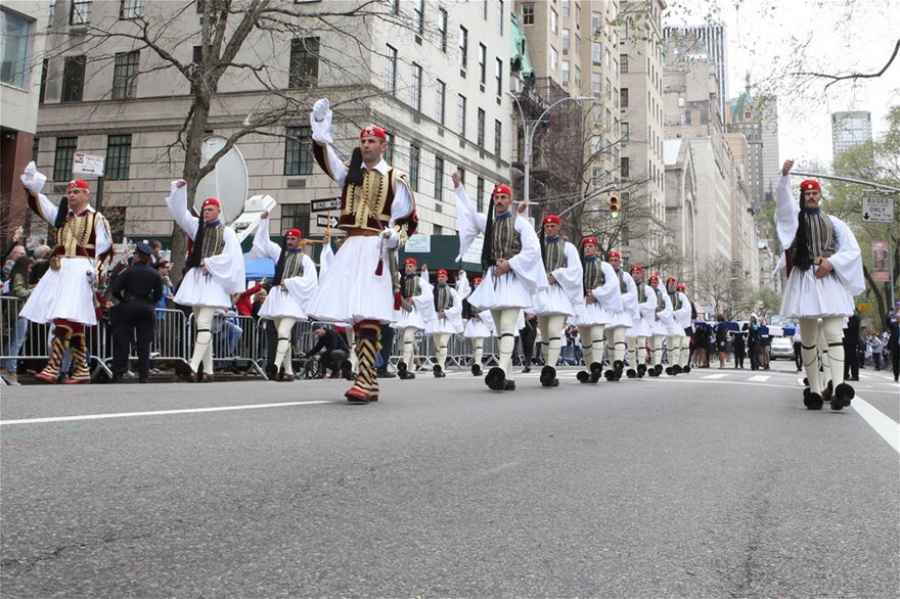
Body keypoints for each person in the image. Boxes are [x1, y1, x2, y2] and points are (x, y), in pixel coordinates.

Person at [307, 99, 418, 403]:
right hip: (351, 246)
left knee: (368, 314)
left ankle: (363, 378)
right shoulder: (350, 174)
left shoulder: (396, 178)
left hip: (376, 248)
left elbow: (409, 220)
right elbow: (326, 159)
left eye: (372, 141)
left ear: (384, 146)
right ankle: (369, 380)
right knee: (357, 315)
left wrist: (394, 236)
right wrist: (320, 128)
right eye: (363, 141)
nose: (366, 145)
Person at [776, 159, 864, 410]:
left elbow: (851, 249)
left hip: (828, 279)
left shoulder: (834, 223)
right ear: (802, 197)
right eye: (807, 194)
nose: (811, 197)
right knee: (809, 338)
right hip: (805, 279)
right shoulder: (794, 220)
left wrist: (832, 262)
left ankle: (838, 388)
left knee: (835, 334)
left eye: (815, 193)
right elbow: (783, 204)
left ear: (821, 196)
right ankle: (814, 389)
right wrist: (784, 177)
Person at [19, 163, 114, 383]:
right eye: (69, 192)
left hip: (80, 271)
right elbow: (41, 205)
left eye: (76, 192)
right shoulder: (61, 216)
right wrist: (32, 187)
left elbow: (106, 248)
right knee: (71, 321)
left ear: (86, 195)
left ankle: (53, 368)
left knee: (64, 317)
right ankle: (81, 369)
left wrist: (97, 271)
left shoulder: (97, 218)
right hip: (60, 271)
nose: (71, 195)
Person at [453, 171, 548, 391]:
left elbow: (533, 249)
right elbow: (469, 210)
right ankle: (509, 378)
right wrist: (459, 187)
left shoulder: (520, 223)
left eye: (503, 197)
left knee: (507, 327)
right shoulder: (490, 224)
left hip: (512, 280)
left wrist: (511, 264)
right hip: (495, 281)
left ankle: (501, 370)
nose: (499, 201)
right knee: (499, 330)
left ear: (510, 200)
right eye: (496, 197)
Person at [166, 180, 246, 382]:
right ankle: (209, 371)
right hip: (197, 280)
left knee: (203, 323)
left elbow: (233, 258)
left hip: (214, 283)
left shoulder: (227, 232)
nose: (206, 212)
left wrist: (210, 264)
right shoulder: (197, 227)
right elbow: (180, 214)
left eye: (210, 209)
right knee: (202, 326)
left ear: (219, 211)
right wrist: (180, 190)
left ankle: (193, 366)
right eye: (204, 209)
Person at [252, 213, 318, 382]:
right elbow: (265, 243)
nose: (289, 241)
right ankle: (288, 371)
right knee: (284, 336)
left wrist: (289, 283)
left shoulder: (305, 260)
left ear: (299, 240)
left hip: (292, 301)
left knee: (282, 331)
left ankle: (275, 365)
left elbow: (310, 281)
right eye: (288, 238)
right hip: (278, 299)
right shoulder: (280, 254)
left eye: (293, 239)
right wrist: (264, 222)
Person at [532, 215, 582, 387]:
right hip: (542, 293)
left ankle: (550, 368)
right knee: (545, 334)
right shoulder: (538, 247)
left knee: (554, 330)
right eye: (547, 226)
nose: (549, 229)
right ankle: (548, 369)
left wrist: (557, 275)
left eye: (553, 226)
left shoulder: (568, 247)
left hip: (559, 294)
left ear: (559, 227)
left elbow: (576, 270)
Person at [109, 242, 163, 383]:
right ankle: (143, 375)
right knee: (144, 342)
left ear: (138, 256)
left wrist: (123, 300)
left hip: (129, 306)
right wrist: (149, 301)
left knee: (123, 339)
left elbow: (115, 289)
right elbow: (158, 294)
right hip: (146, 307)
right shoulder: (154, 274)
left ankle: (119, 372)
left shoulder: (129, 271)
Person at [572, 237, 618, 384]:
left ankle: (596, 367)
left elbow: (612, 284)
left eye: (591, 246)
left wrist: (596, 294)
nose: (588, 248)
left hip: (597, 305)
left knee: (597, 335)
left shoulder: (604, 266)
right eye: (586, 246)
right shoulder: (578, 265)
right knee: (585, 340)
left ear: (596, 248)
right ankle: (589, 370)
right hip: (582, 305)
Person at [392, 257, 432, 379]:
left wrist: (415, 299)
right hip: (404, 312)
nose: (408, 268)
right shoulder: (402, 280)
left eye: (410, 266)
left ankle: (404, 365)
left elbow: (429, 296)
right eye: (406, 267)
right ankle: (410, 369)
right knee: (407, 339)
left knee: (408, 337)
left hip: (415, 312)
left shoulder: (420, 281)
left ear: (415, 268)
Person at [0, 256, 36, 385]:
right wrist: (33, 291)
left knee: (12, 341)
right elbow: (20, 291)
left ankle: (4, 366)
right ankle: (11, 370)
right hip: (20, 312)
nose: (30, 270)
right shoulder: (19, 276)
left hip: (14, 312)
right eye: (29, 268)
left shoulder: (13, 276)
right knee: (17, 342)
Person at [603, 250, 637, 381]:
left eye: (615, 260)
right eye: (611, 261)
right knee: (611, 341)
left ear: (619, 262)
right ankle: (614, 368)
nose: (613, 263)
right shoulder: (604, 276)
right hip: (609, 312)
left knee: (619, 338)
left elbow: (632, 293)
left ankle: (618, 363)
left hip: (621, 312)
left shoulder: (626, 276)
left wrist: (619, 299)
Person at [426, 269, 463, 377]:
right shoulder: (433, 290)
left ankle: (441, 366)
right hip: (436, 319)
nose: (441, 278)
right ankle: (439, 367)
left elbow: (458, 306)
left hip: (447, 320)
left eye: (443, 276)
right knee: (438, 345)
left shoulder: (452, 291)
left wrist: (446, 313)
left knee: (443, 342)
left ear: (446, 278)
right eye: (439, 276)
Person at [625, 265, 656, 378]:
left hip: (642, 319)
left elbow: (652, 304)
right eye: (633, 273)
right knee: (631, 344)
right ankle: (632, 368)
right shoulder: (627, 288)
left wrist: (639, 307)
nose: (635, 275)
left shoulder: (647, 289)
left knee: (642, 343)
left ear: (641, 275)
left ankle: (641, 366)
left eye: (637, 273)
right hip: (631, 319)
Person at [462, 277, 496, 376]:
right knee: (474, 345)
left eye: (478, 284)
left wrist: (482, 316)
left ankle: (477, 364)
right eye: (475, 284)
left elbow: (491, 309)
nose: (476, 286)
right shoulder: (471, 296)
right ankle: (478, 362)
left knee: (479, 344)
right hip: (473, 321)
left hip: (481, 322)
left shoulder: (486, 296)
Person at [647, 274, 674, 376]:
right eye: (652, 283)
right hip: (649, 323)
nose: (654, 284)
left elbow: (669, 309)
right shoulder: (646, 295)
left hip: (659, 323)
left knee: (658, 344)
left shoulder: (663, 295)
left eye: (655, 283)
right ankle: (654, 364)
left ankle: (657, 365)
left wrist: (659, 315)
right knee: (651, 345)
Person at [842, 313, 860, 381]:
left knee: (852, 358)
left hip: (851, 341)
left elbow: (848, 328)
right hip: (847, 341)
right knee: (846, 358)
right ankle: (845, 374)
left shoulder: (853, 318)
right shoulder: (850, 317)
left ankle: (854, 375)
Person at [886, 308, 899, 382]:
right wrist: (890, 315)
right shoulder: (894, 325)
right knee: (895, 361)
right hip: (895, 345)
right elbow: (888, 323)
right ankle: (896, 375)